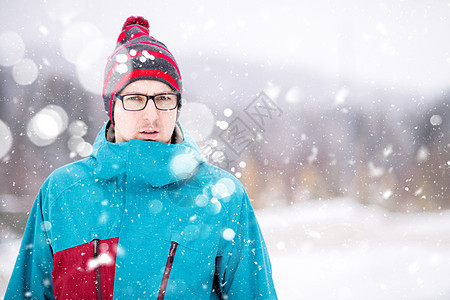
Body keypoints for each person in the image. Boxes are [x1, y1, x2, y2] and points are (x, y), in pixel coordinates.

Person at [5, 16, 277, 299]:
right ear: (112, 106)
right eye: (134, 98)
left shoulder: (221, 198)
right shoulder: (61, 194)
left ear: (177, 105)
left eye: (164, 98)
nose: (151, 115)